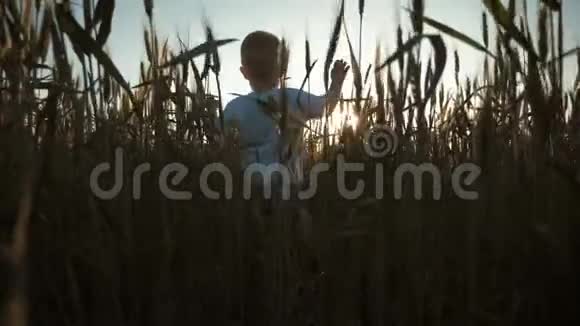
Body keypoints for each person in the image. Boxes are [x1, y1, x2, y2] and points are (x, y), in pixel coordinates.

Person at [222, 30, 349, 220]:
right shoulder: (291, 97)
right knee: (290, 229)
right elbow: (326, 108)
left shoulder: (234, 107)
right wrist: (336, 83)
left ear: (244, 72)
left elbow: (220, 142)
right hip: (291, 186)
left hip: (250, 188)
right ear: (282, 68)